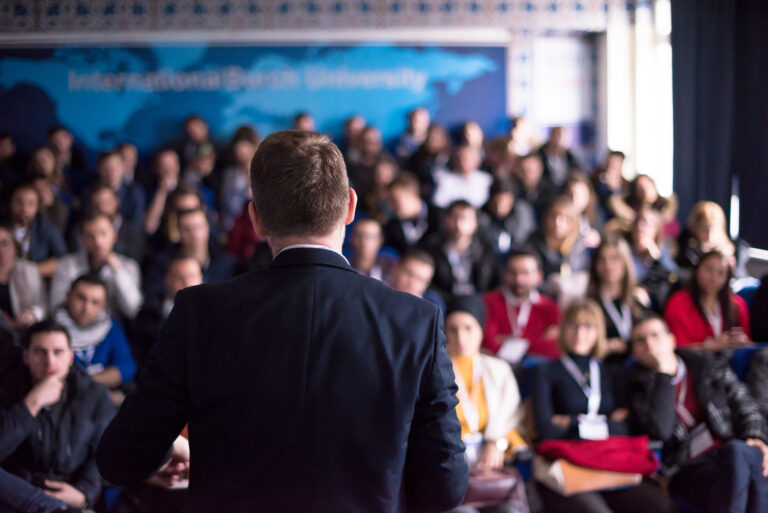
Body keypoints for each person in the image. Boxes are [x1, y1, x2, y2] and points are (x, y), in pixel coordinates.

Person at [96, 130, 469, 512]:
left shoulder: (199, 312)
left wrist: (167, 447)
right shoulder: (416, 320)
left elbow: (119, 459)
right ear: (350, 207)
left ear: (255, 218)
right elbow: (445, 488)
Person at [531, 300, 673, 513]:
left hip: (609, 465)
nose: (580, 332)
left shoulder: (610, 372)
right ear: (562, 329)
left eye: (588, 326)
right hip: (568, 469)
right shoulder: (545, 372)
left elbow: (625, 427)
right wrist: (605, 423)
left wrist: (572, 422)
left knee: (659, 505)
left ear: (598, 332)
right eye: (573, 325)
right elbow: (547, 431)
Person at [627, 313, 768, 513]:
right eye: (641, 340)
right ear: (634, 352)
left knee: (741, 455)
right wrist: (664, 376)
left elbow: (745, 404)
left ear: (671, 339)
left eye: (655, 335)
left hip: (730, 451)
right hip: (689, 467)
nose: (649, 343)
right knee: (748, 478)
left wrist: (755, 435)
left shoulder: (707, 365)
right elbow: (661, 430)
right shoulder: (637, 387)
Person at [0, 319, 115, 512]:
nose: (49, 361)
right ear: (26, 356)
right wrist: (32, 403)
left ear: (70, 357)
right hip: (16, 499)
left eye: (58, 352)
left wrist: (84, 493)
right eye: (40, 352)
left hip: (73, 500)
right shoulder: (6, 390)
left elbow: (105, 453)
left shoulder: (95, 395)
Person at [443, 295, 528, 513]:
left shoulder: (499, 370)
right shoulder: (435, 371)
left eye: (468, 328)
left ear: (481, 330)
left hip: (492, 471)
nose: (460, 336)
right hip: (450, 472)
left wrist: (497, 444)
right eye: (453, 328)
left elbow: (514, 421)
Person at [50, 212, 142, 321]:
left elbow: (134, 309)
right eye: (90, 235)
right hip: (72, 325)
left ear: (114, 236)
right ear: (83, 239)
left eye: (103, 233)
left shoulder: (129, 266)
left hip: (111, 328)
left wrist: (118, 271)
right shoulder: (67, 263)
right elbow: (56, 306)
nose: (97, 241)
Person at [52, 274, 137, 391]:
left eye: (95, 302)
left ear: (103, 305)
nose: (87, 308)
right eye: (81, 298)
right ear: (68, 296)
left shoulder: (111, 327)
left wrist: (88, 383)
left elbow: (127, 367)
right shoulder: (51, 329)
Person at [664, 250, 751, 350]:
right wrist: (712, 347)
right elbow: (679, 348)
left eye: (720, 273)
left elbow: (749, 343)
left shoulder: (737, 304)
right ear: (697, 270)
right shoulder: (678, 302)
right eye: (708, 269)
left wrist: (743, 342)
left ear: (727, 279)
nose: (713, 277)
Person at [482, 250, 560, 360]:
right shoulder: (488, 302)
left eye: (525, 273)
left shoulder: (551, 308)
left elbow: (554, 348)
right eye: (513, 272)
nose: (519, 279)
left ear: (539, 276)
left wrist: (508, 341)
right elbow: (488, 344)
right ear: (504, 274)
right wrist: (537, 341)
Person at [131, 255, 203, 373]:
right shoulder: (148, 314)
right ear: (167, 280)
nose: (187, 282)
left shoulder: (215, 313)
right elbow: (139, 357)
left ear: (201, 278)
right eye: (180, 277)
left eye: (192, 276)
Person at [422, 200, 499, 299]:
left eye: (465, 219)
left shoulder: (486, 250)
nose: (459, 224)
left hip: (476, 300)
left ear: (475, 223)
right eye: (455, 218)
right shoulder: (430, 247)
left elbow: (494, 283)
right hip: (441, 299)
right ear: (445, 220)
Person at [523, 196, 589, 301]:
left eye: (565, 218)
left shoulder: (580, 247)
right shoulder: (533, 245)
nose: (558, 222)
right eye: (553, 216)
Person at [677, 200, 751, 281]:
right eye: (704, 230)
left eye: (715, 229)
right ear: (695, 228)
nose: (710, 236)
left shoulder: (735, 252)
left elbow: (739, 280)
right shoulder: (687, 250)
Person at [7, 183, 68, 278]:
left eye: (30, 204)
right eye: (19, 202)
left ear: (37, 207)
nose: (24, 209)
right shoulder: (3, 227)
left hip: (35, 280)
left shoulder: (46, 227)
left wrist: (32, 271)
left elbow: (63, 260)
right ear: (11, 202)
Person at [0, 222, 46, 332]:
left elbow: (42, 307)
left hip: (23, 331)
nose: (0, 249)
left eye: (5, 243)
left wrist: (32, 314)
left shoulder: (30, 270)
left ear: (14, 246)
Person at [383, 172, 442, 256]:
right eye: (389, 201)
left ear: (412, 194)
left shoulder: (439, 216)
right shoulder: (392, 228)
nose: (390, 206)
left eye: (394, 199)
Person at [477, 179, 536, 255]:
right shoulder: (480, 216)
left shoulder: (522, 213)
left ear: (511, 200)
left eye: (503, 203)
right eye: (495, 203)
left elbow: (524, 238)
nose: (499, 208)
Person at [95, 150, 145, 228]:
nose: (111, 172)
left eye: (115, 166)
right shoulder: (91, 192)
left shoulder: (134, 192)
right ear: (99, 169)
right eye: (106, 168)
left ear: (123, 167)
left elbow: (137, 224)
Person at [431, 145, 493, 209]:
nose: (462, 161)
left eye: (467, 158)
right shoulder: (444, 179)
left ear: (477, 161)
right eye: (459, 158)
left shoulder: (486, 180)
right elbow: (439, 202)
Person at [347, 218, 398, 284]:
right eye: (360, 236)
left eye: (371, 237)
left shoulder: (392, 266)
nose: (364, 242)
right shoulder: (345, 267)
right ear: (351, 238)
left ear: (380, 240)